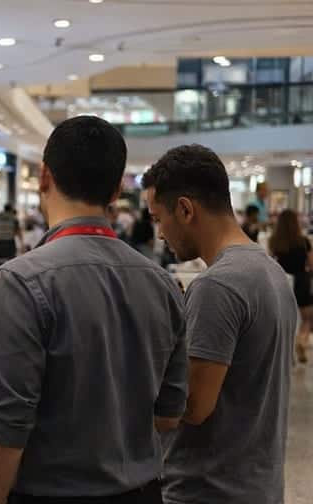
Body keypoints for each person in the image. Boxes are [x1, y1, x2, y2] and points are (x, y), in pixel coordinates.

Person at [0, 116, 188, 504]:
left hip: (51, 492)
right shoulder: (162, 284)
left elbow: (4, 428)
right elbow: (169, 414)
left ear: (44, 177)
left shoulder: (19, 282)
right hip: (143, 491)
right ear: (117, 187)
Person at [142, 144, 296, 504]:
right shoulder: (270, 271)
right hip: (257, 486)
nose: (161, 233)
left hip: (207, 491)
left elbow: (193, 405)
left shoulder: (218, 287)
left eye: (158, 218)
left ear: (185, 209)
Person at [270, 209, 312, 364]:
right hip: (301, 281)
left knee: (285, 318)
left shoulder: (274, 242)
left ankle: (287, 351)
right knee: (307, 318)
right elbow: (311, 263)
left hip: (282, 282)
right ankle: (301, 341)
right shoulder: (304, 241)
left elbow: (271, 262)